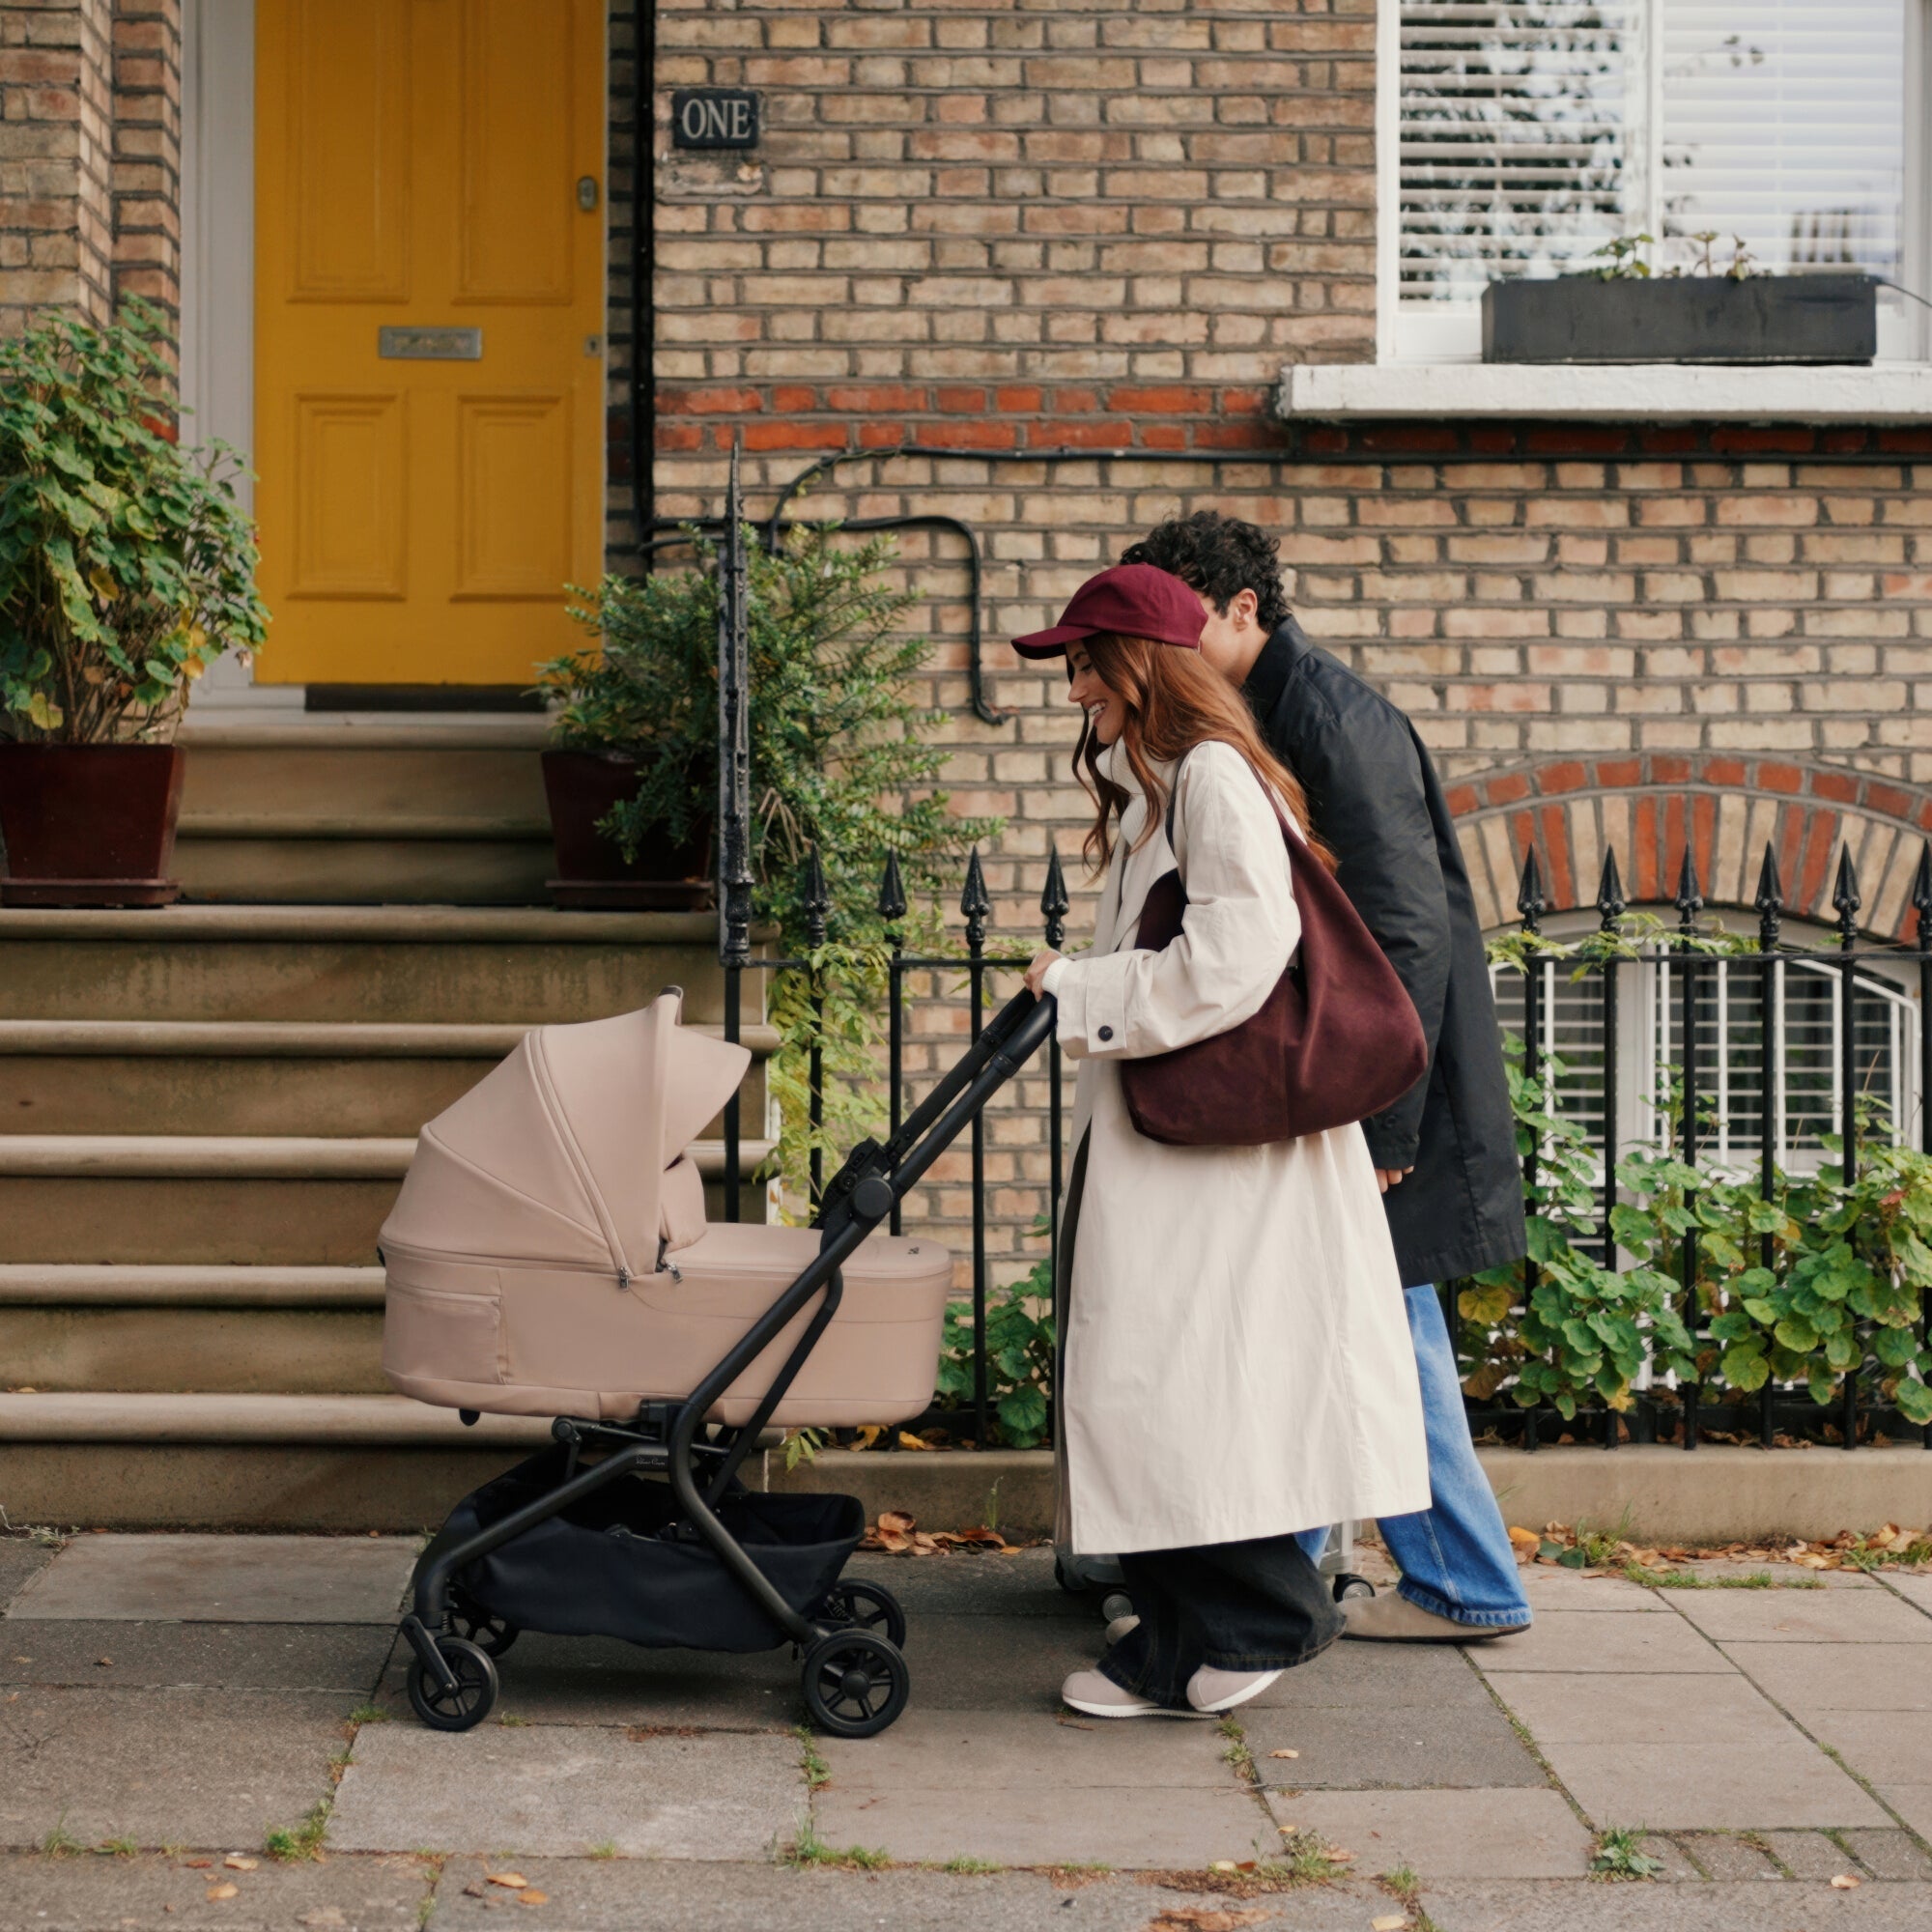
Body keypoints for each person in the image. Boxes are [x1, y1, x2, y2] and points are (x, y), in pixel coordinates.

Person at [1014, 562, 1430, 1718]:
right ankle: (1177, 1637)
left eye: (1088, 663)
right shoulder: (1168, 784)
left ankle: (1261, 1619)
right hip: (1181, 1151)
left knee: (1174, 1388)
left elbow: (1240, 952)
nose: (1075, 689)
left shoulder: (1208, 775)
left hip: (1219, 1161)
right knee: (1156, 1388)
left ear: (1143, 663)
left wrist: (1079, 987)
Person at [1119, 512, 1531, 1643]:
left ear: (1240, 609)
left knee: (1384, 1327)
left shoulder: (1332, 721)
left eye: (1178, 619)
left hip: (1367, 1088)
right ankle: (1295, 1580)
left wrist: (1383, 1129)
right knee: (1336, 1323)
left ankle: (1459, 1577)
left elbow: (1404, 937)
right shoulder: (1260, 711)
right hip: (1331, 1081)